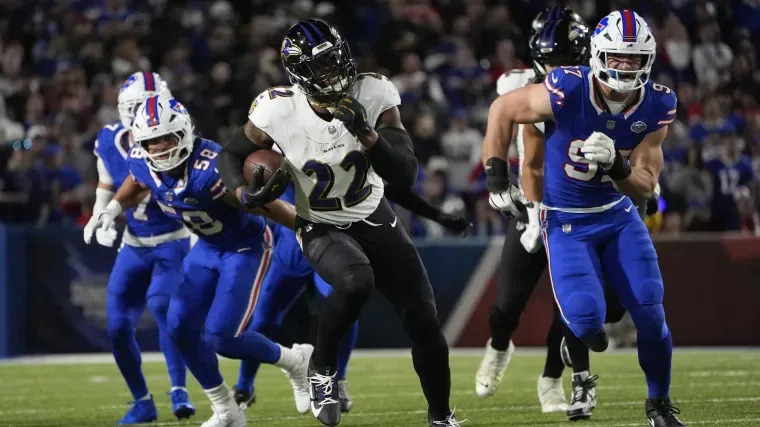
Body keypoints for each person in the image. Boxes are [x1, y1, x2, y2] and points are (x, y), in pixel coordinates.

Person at [217, 19, 462, 427]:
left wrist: (367, 134)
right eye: (320, 66)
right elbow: (229, 155)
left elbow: (404, 173)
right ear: (300, 73)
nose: (333, 71)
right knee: (355, 280)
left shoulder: (373, 92)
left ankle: (441, 416)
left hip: (373, 214)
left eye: (334, 60)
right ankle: (322, 367)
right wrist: (244, 194)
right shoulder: (277, 110)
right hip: (320, 222)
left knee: (424, 320)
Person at [480, 9, 686, 427]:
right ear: (598, 55)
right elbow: (503, 109)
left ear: (648, 59)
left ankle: (659, 404)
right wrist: (496, 176)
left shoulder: (658, 103)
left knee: (650, 311)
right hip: (567, 222)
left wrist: (618, 167)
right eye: (617, 56)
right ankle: (572, 357)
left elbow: (645, 186)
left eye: (634, 58)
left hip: (617, 217)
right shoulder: (568, 87)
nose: (625, 65)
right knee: (586, 320)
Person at [86, 92, 313, 427]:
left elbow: (267, 208)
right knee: (179, 328)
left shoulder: (211, 169)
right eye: (152, 142)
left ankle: (295, 361)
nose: (160, 148)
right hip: (206, 247)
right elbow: (137, 179)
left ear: (184, 133)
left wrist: (309, 228)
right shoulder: (141, 159)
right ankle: (226, 409)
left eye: (167, 138)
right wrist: (112, 208)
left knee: (222, 338)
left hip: (244, 248)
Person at [234, 180, 469, 414]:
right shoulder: (277, 162)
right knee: (263, 319)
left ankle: (339, 379)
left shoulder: (341, 160)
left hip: (331, 244)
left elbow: (390, 184)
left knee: (346, 304)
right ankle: (244, 386)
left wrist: (435, 214)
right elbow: (246, 189)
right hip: (292, 251)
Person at [83, 72, 195, 424]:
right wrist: (98, 214)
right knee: (117, 326)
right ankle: (142, 402)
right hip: (134, 243)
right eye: (130, 106)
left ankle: (179, 389)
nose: (136, 113)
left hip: (172, 240)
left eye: (142, 105)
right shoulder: (109, 138)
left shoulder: (172, 140)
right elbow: (105, 181)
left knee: (163, 306)